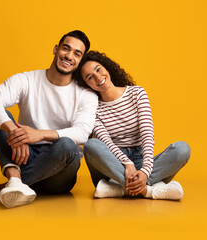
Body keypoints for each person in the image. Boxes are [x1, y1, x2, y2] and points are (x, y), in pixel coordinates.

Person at [0, 30, 98, 208]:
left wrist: (38, 135)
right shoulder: (27, 79)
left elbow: (82, 132)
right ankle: (15, 181)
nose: (69, 56)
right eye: (65, 48)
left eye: (77, 53)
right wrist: (15, 132)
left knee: (68, 145)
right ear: (56, 49)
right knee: (1, 116)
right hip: (24, 156)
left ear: (80, 60)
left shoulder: (86, 94)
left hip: (60, 174)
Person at [73, 51, 191, 200]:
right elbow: (106, 142)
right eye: (90, 77)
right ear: (86, 84)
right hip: (112, 166)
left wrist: (145, 171)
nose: (98, 77)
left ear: (107, 68)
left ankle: (119, 189)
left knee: (182, 149)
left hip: (141, 162)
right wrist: (127, 165)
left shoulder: (137, 93)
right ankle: (148, 190)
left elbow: (147, 135)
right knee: (91, 145)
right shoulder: (92, 108)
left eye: (98, 69)